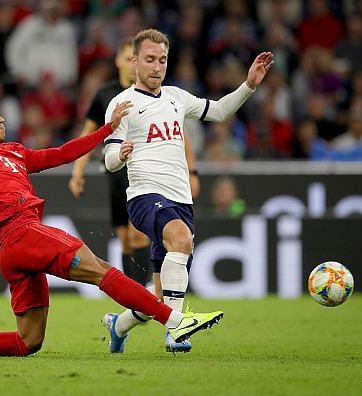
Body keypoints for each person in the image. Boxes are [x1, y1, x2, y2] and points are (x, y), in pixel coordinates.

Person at [0, 97, 223, 359]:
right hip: (18, 232)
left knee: (28, 342)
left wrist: (107, 130)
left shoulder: (15, 152)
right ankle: (174, 320)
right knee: (99, 268)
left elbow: (63, 154)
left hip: (15, 247)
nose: (1, 118)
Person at [102, 29, 272, 354]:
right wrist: (118, 155)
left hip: (180, 199)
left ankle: (118, 324)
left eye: (162, 60)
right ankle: (177, 329)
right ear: (135, 60)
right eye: (150, 59)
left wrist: (249, 85)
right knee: (181, 240)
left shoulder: (176, 97)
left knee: (161, 294)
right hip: (144, 196)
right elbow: (108, 158)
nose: (156, 66)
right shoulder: (121, 103)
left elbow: (220, 111)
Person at [69, 39, 200, 288]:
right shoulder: (107, 96)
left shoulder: (160, 95)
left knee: (138, 236)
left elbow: (180, 135)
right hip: (117, 173)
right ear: (121, 61)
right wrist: (78, 171)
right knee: (125, 239)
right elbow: (88, 134)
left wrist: (191, 171)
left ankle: (140, 293)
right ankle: (133, 297)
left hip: (146, 174)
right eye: (130, 58)